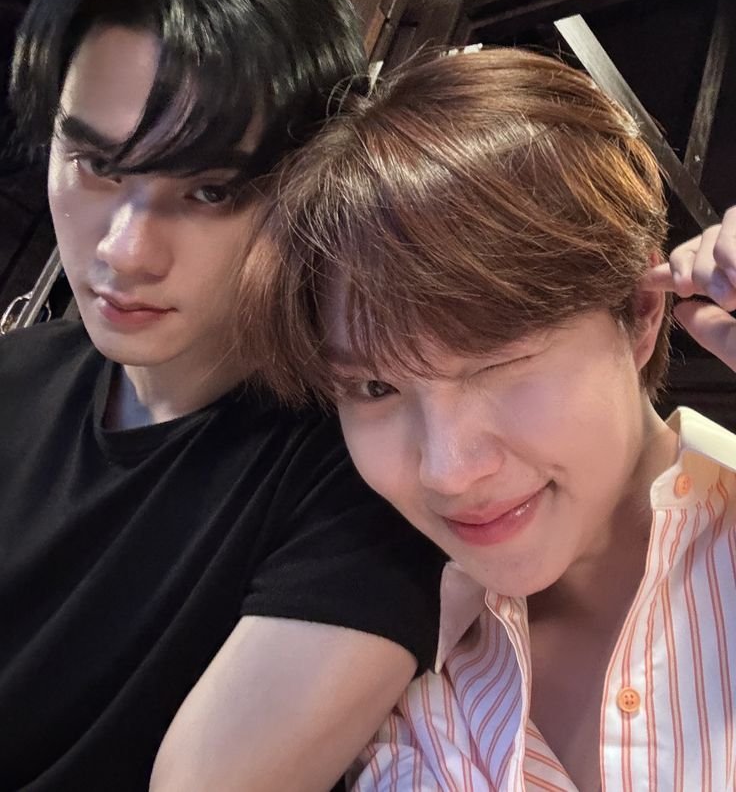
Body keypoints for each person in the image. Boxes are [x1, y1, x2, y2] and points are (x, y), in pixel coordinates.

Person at [0, 0, 446, 792]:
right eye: (95, 164)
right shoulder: (17, 373)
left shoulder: (361, 476)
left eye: (209, 190)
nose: (126, 251)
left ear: (306, 185)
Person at [252, 48, 736, 791]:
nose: (447, 470)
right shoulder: (401, 688)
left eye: (497, 361)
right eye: (375, 387)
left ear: (640, 311)